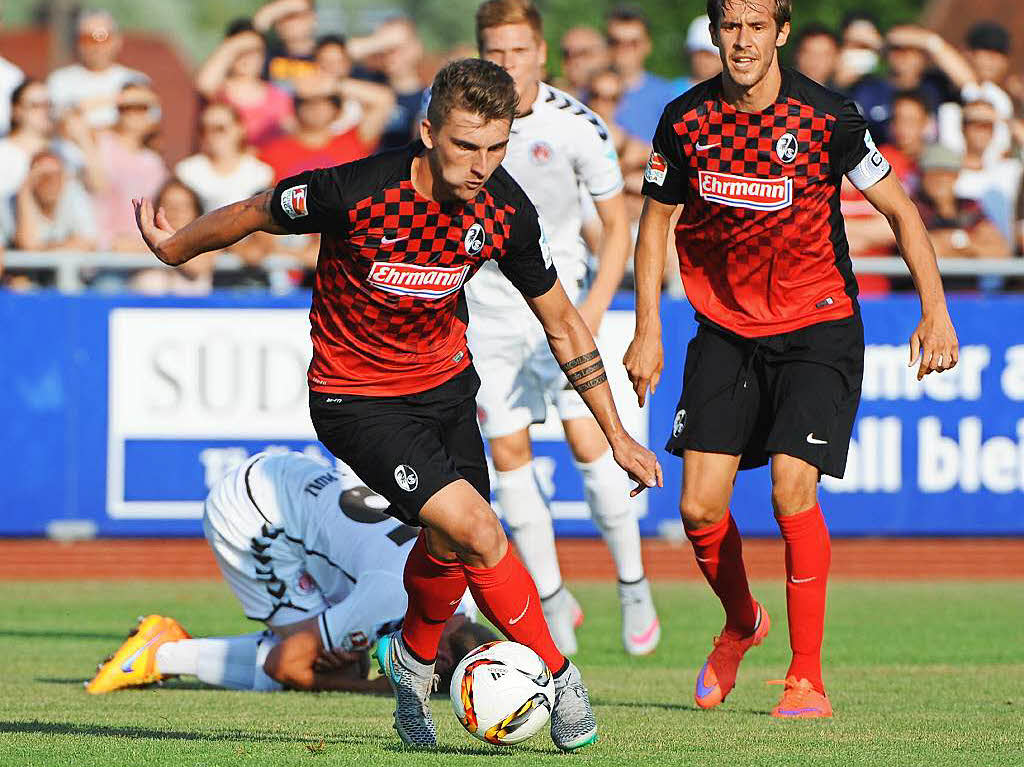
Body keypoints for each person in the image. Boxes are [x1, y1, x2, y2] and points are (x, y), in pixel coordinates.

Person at [132, 58, 661, 751]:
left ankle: (411, 665)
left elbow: (562, 321)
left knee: (447, 542)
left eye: (496, 147)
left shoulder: (504, 210)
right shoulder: (355, 191)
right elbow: (253, 210)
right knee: (479, 528)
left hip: (446, 391)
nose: (482, 165)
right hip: (357, 400)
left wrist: (617, 434)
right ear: (427, 131)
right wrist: (177, 247)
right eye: (467, 145)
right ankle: (562, 679)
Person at [625, 0, 958, 719]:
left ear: (780, 32)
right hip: (723, 328)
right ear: (715, 34)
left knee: (789, 491)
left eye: (755, 26)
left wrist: (935, 308)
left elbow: (902, 211)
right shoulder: (684, 120)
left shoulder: (828, 117)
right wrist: (648, 327)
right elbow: (654, 225)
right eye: (729, 27)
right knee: (697, 506)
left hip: (818, 326)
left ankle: (806, 677)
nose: (741, 41)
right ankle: (743, 623)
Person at [472, 0, 658, 657]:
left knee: (593, 445)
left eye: (517, 50)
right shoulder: (456, 123)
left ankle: (632, 581)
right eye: (494, 50)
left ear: (541, 55)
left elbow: (617, 228)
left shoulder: (578, 127)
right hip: (488, 316)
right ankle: (552, 600)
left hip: (564, 310)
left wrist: (599, 305)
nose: (506, 63)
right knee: (509, 457)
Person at [86, 451, 496, 695]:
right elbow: (284, 665)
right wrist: (369, 688)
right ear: (442, 653)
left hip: (293, 484)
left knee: (334, 652)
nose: (431, 675)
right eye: (437, 671)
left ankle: (166, 648)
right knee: (310, 663)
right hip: (254, 512)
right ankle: (163, 653)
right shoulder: (389, 598)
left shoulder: (465, 593)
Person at [258, 72, 393, 181]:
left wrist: (334, 84)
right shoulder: (272, 152)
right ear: (297, 108)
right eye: (309, 102)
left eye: (324, 102)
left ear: (337, 110)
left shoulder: (355, 140)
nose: (316, 108)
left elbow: (383, 100)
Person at [195, 20, 295, 149]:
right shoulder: (219, 92)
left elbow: (289, 136)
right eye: (241, 51)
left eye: (255, 51)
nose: (247, 58)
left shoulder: (279, 97)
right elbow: (204, 84)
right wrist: (236, 43)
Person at [93, 82, 167, 251]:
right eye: (127, 107)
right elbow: (72, 118)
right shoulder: (101, 143)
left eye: (142, 107)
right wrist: (115, 99)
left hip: (143, 248)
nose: (134, 114)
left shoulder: (154, 161)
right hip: (105, 248)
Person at [47, 10, 148, 130]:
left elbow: (143, 125)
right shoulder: (60, 80)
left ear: (117, 40)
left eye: (102, 36)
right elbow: (59, 121)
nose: (96, 46)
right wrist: (122, 99)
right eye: (87, 38)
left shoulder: (135, 80)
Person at [914, 143, 1010, 262]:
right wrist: (972, 244)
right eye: (931, 173)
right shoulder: (914, 208)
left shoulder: (969, 206)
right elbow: (926, 250)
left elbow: (1001, 251)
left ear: (956, 176)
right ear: (922, 177)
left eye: (946, 173)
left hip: (964, 279)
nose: (939, 179)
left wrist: (961, 243)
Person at [175, 103, 274, 214]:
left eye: (220, 129)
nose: (210, 135)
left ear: (240, 129)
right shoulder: (186, 171)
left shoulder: (261, 173)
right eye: (203, 129)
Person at [605, 6, 677, 142]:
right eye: (616, 42)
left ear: (647, 45)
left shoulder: (668, 98)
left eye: (633, 43)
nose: (623, 50)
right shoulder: (589, 94)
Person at [7, 149, 96, 252]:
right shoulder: (13, 201)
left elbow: (88, 242)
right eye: (43, 176)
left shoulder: (73, 192)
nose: (51, 182)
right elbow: (28, 245)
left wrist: (42, 250)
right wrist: (25, 193)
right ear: (31, 180)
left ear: (64, 178)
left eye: (56, 175)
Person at [0, 80, 55, 202]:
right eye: (36, 106)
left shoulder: (63, 150)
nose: (45, 111)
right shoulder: (3, 154)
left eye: (49, 104)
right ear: (16, 111)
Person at [254, 0, 320, 91]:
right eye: (283, 16)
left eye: (296, 16)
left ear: (312, 18)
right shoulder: (267, 55)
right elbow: (249, 35)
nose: (291, 23)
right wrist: (283, 7)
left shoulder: (326, 54)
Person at [672, 15, 723, 94]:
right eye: (697, 54)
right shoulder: (669, 91)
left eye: (708, 55)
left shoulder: (734, 93)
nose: (702, 60)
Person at [557, 26, 609, 101]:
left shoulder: (622, 100)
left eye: (584, 53)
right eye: (567, 54)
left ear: (605, 56)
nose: (575, 61)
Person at [791, 23, 839, 88]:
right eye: (809, 53)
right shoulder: (778, 92)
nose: (815, 61)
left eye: (823, 55)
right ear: (797, 55)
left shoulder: (847, 94)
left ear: (836, 57)